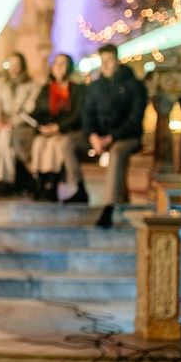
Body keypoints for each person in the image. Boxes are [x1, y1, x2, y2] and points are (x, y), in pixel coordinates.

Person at [82, 44, 148, 228]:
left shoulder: (135, 86)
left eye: (109, 60)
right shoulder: (96, 87)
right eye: (102, 61)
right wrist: (92, 136)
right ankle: (72, 190)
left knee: (117, 154)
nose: (105, 65)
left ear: (118, 61)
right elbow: (87, 115)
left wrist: (111, 137)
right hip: (100, 137)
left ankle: (108, 207)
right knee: (67, 144)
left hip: (127, 137)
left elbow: (135, 119)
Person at [29, 53, 88, 203]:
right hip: (47, 129)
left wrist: (58, 127)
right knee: (39, 144)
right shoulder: (46, 89)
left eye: (63, 64)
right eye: (57, 64)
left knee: (54, 145)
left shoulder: (78, 89)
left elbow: (77, 113)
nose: (60, 67)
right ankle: (41, 182)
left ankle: (52, 183)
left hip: (67, 129)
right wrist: (42, 126)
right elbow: (38, 111)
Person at [0, 52, 38, 197]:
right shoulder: (0, 85)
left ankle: (4, 179)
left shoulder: (31, 85)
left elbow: (29, 109)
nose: (14, 68)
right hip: (2, 125)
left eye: (17, 65)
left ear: (22, 66)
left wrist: (11, 123)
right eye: (11, 64)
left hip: (21, 126)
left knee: (5, 137)